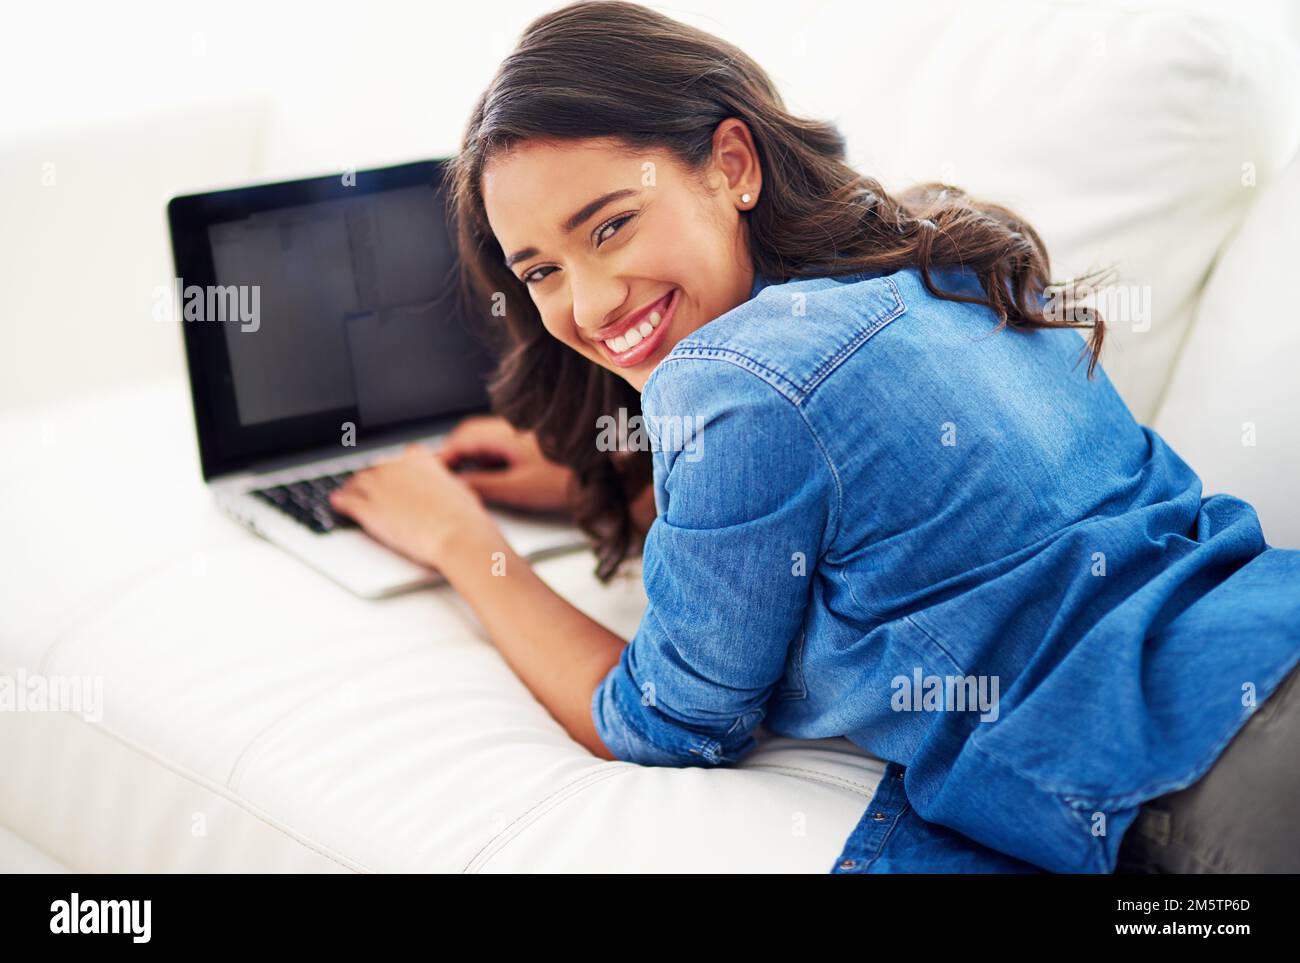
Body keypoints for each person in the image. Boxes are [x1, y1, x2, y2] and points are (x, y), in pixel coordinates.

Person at [328, 0, 1300, 873]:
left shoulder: (730, 383)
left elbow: (664, 725)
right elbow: (892, 503)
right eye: (539, 271)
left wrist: (463, 544)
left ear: (732, 167)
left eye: (611, 226)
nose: (585, 302)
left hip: (1224, 787)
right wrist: (620, 477)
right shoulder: (940, 250)